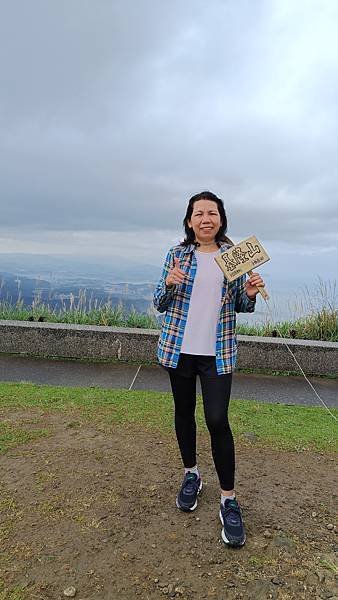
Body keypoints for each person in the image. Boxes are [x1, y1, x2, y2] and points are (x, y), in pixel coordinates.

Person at [153, 191, 265, 548]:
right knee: (183, 414)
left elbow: (240, 306)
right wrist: (169, 284)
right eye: (199, 213)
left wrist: (247, 292)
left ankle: (229, 499)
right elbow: (159, 301)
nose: (206, 219)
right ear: (189, 221)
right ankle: (191, 475)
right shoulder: (177, 254)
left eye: (212, 213)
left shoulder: (233, 256)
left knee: (217, 420)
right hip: (179, 350)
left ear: (221, 219)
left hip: (217, 353)